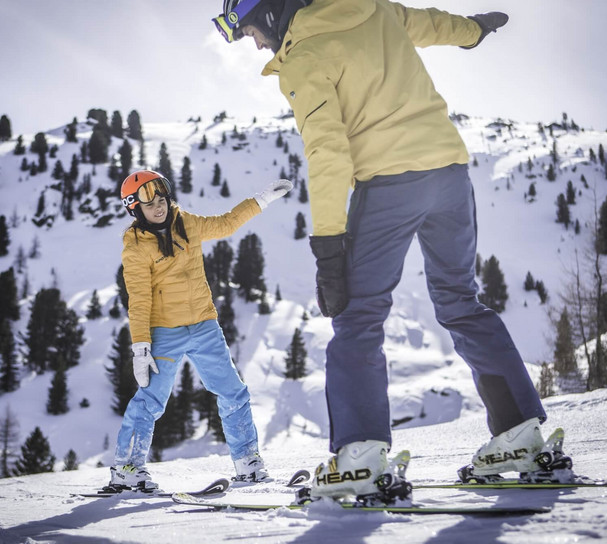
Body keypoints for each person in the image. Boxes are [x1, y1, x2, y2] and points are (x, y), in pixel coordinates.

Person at [213, 0, 571, 500]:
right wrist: (474, 32)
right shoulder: (372, 9)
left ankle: (359, 457)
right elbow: (430, 23)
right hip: (449, 175)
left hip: (388, 185)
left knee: (357, 318)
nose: (253, 43)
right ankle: (521, 436)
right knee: (461, 303)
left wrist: (329, 245)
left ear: (272, 11)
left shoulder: (305, 53)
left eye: (249, 29)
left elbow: (328, 149)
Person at [109, 169, 292, 490]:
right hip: (164, 331)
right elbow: (138, 298)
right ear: (134, 208)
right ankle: (126, 468)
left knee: (233, 392)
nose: (158, 205)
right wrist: (140, 346)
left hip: (205, 325)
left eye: (161, 197)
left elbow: (225, 223)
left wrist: (261, 200)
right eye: (147, 201)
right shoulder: (136, 246)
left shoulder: (186, 223)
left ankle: (247, 462)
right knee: (150, 399)